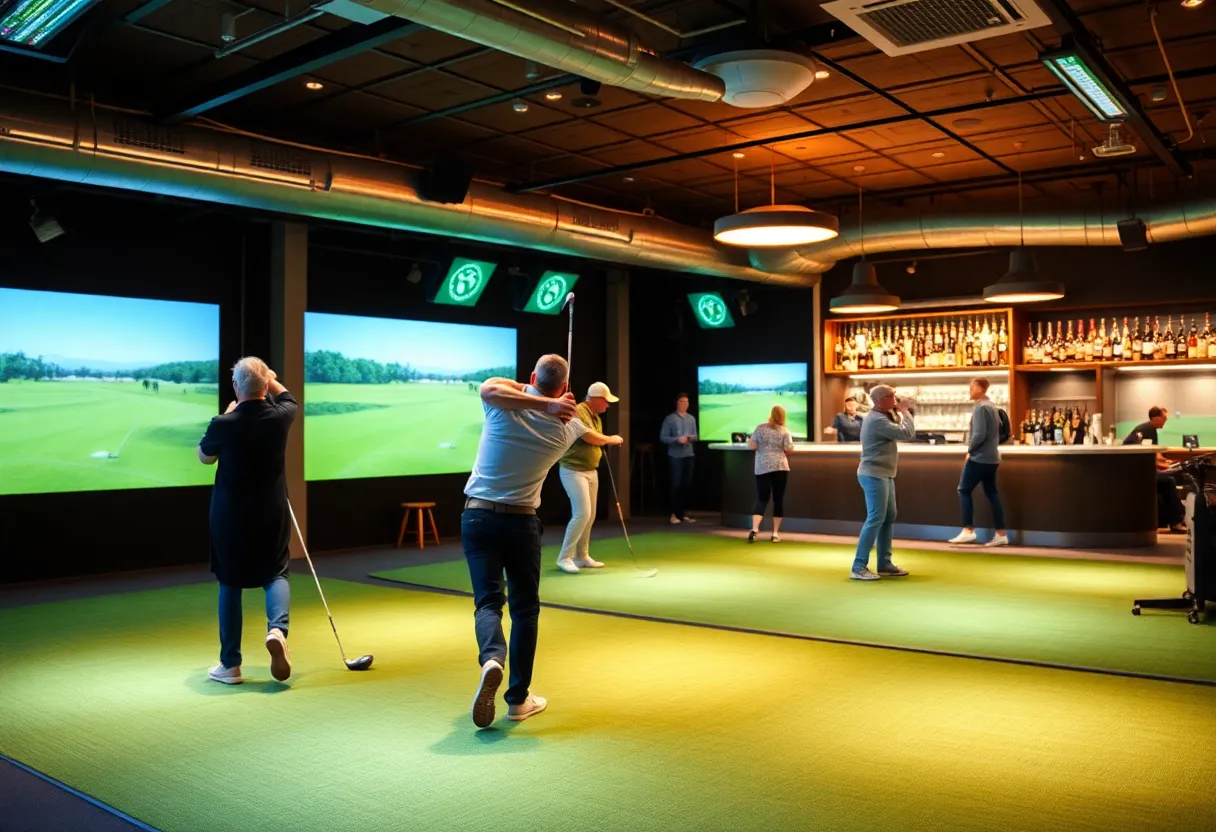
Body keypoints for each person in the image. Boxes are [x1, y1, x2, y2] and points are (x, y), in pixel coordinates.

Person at [463, 355, 623, 728]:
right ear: (566, 390)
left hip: (478, 515)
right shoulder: (565, 429)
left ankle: (491, 658)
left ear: (533, 377)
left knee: (488, 602)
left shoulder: (500, 407)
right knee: (524, 611)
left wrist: (538, 397)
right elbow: (579, 426)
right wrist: (552, 405)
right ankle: (518, 701)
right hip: (521, 523)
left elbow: (491, 387)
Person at [197, 357, 298, 685]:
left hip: (230, 516)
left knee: (230, 581)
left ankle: (230, 665)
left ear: (236, 387)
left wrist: (227, 415)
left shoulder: (223, 423)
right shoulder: (281, 416)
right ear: (266, 385)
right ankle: (277, 630)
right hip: (271, 511)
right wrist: (269, 378)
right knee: (276, 572)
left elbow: (204, 457)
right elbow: (288, 396)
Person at [852, 384, 916, 581]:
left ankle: (884, 563)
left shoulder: (884, 416)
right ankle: (859, 566)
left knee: (888, 517)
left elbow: (899, 425)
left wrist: (899, 411)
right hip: (873, 474)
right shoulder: (876, 420)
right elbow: (906, 434)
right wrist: (905, 411)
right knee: (876, 518)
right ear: (880, 401)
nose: (895, 400)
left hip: (883, 473)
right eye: (891, 397)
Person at [556, 381, 621, 574]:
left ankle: (582, 556)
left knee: (590, 515)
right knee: (582, 513)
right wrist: (610, 439)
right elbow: (588, 436)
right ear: (595, 399)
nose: (607, 405)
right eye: (605, 401)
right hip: (573, 470)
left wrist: (606, 440)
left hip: (590, 470)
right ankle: (564, 557)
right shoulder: (579, 410)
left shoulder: (596, 417)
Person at [948, 378, 1009, 547]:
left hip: (980, 457)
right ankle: (1001, 533)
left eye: (972, 388)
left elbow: (979, 434)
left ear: (981, 389)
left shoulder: (981, 408)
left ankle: (968, 531)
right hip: (992, 457)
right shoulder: (992, 406)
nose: (970, 391)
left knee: (964, 490)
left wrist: (969, 449)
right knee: (992, 493)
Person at [1122, 405, 1186, 533]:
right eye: (1164, 418)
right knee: (1169, 481)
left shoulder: (1147, 428)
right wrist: (1168, 464)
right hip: (1138, 473)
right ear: (1156, 418)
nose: (1165, 421)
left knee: (1169, 478)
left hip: (1137, 471)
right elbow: (1153, 456)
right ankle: (1176, 520)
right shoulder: (1148, 429)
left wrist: (1168, 462)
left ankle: (1176, 518)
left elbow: (1154, 453)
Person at [747, 405, 795, 543]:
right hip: (780, 466)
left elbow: (753, 446)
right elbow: (789, 449)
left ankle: (755, 529)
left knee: (762, 498)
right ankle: (775, 534)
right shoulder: (785, 431)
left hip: (762, 467)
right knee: (778, 499)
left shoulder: (760, 428)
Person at [660, 392, 698, 524]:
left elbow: (696, 436)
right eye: (682, 401)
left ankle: (682, 514)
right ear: (677, 403)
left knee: (685, 485)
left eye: (687, 402)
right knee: (675, 484)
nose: (685, 404)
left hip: (689, 454)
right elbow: (663, 437)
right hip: (675, 456)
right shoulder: (670, 419)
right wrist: (677, 439)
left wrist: (689, 438)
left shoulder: (691, 419)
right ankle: (673, 514)